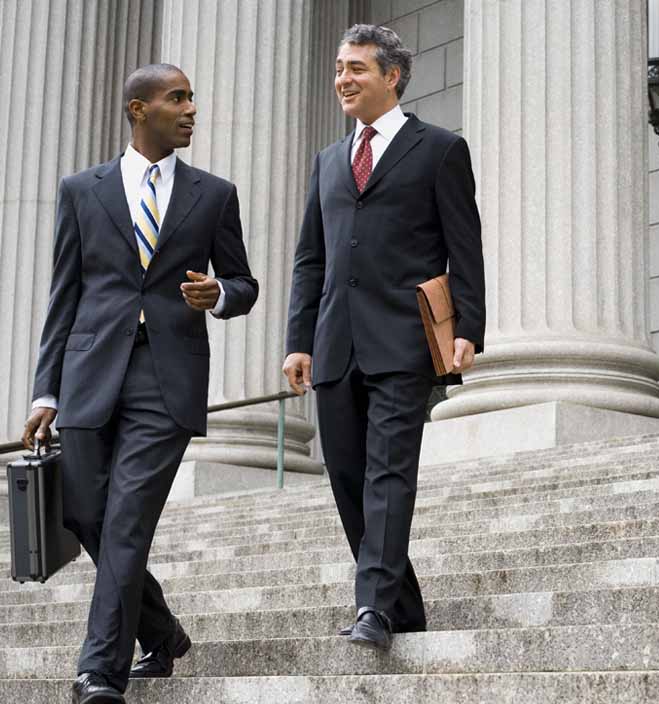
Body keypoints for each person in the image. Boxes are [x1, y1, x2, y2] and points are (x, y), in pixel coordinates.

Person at [23, 63, 258, 704]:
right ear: (137, 109)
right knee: (86, 515)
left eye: (191, 99)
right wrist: (46, 392)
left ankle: (99, 671)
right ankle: (161, 630)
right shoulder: (82, 189)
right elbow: (63, 296)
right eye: (175, 99)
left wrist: (221, 294)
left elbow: (244, 282)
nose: (190, 110)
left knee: (126, 522)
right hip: (89, 375)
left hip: (168, 379)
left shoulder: (213, 193)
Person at [283, 24, 485, 651]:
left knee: (389, 474)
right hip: (337, 343)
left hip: (403, 342)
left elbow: (464, 248)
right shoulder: (327, 161)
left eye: (357, 69)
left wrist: (468, 330)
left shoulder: (440, 149)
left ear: (392, 76)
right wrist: (299, 339)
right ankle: (404, 605)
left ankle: (373, 606)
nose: (343, 78)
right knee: (346, 475)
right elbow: (310, 259)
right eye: (340, 68)